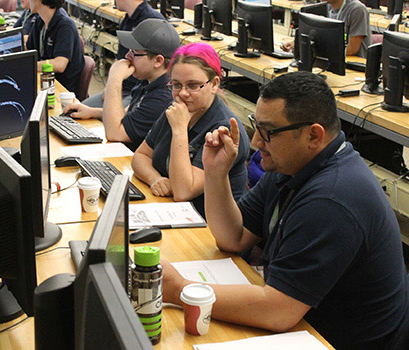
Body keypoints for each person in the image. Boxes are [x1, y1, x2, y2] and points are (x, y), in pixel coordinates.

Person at [162, 71, 409, 349]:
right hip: (303, 323)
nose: (255, 141)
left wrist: (181, 290)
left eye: (268, 132)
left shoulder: (332, 200)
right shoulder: (292, 166)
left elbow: (278, 311)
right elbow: (234, 237)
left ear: (313, 135)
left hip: (332, 340)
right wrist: (216, 174)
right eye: (256, 125)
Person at [131, 42, 250, 217]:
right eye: (176, 85)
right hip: (174, 214)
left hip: (209, 228)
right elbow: (140, 156)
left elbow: (183, 192)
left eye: (193, 85)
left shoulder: (223, 129)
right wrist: (155, 179)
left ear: (214, 84)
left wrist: (179, 130)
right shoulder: (178, 109)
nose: (183, 93)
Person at [64, 18, 181, 151]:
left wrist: (115, 78)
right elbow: (129, 114)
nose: (127, 55)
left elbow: (115, 134)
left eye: (134, 52)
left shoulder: (163, 97)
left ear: (158, 61)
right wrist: (93, 112)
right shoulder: (148, 80)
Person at [82, 0, 164, 108]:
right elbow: (120, 57)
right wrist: (109, 86)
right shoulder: (127, 19)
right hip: (122, 86)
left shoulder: (152, 20)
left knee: (115, 118)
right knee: (72, 114)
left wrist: (114, 84)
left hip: (137, 90)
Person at [26, 0, 85, 95]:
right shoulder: (40, 21)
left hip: (61, 89)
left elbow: (60, 64)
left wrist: (29, 66)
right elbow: (28, 47)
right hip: (46, 81)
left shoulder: (65, 25)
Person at [283, 0, 372, 57]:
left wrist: (313, 50)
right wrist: (298, 44)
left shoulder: (357, 10)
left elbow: (352, 49)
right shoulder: (326, 6)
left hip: (354, 66)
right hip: (333, 60)